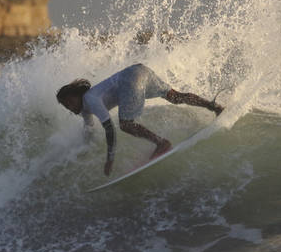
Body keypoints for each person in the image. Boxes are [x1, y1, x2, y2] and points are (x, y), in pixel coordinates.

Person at [56, 63, 223, 176]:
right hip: (139, 70)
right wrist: (80, 153)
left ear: (78, 95)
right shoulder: (85, 110)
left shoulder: (90, 99)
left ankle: (161, 143)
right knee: (175, 97)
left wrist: (110, 159)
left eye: (70, 101)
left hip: (130, 80)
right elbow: (89, 131)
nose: (70, 107)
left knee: (125, 124)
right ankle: (214, 107)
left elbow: (109, 128)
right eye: (66, 106)